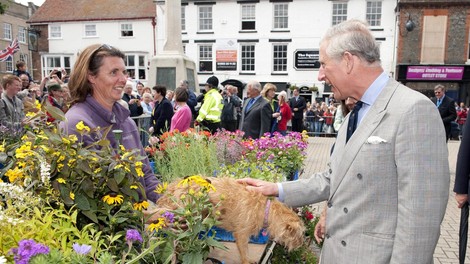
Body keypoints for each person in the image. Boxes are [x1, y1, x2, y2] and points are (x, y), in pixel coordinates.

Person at [238, 19, 449, 263]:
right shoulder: (354, 115)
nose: (320, 75)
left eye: (324, 65)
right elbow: (333, 178)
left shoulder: (413, 109)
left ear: (348, 61)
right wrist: (276, 189)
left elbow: (421, 221)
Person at [59, 44, 160, 202]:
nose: (123, 79)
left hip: (138, 219)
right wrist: (148, 216)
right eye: (114, 72)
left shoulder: (127, 122)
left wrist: (171, 204)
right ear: (91, 76)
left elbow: (146, 175)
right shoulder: (76, 124)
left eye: (124, 72)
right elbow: (91, 197)